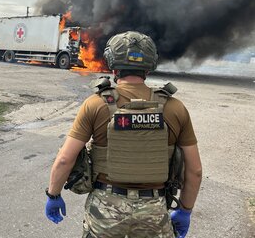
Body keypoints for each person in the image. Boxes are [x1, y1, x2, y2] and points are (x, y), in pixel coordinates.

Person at [45, 31, 202, 238]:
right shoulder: (175, 108)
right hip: (155, 209)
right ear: (150, 64)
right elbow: (195, 171)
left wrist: (53, 194)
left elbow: (65, 159)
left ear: (112, 62)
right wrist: (185, 210)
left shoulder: (95, 104)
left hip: (105, 208)